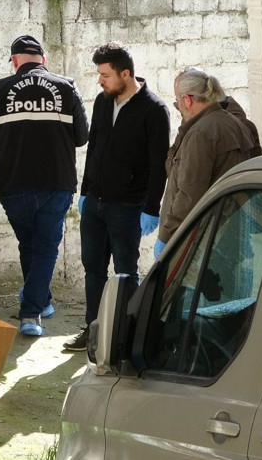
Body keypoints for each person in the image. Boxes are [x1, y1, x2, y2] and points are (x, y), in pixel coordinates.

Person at [0, 35, 89, 337]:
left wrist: (12, 157)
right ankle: (32, 313)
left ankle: (39, 303)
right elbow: (82, 136)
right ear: (43, 60)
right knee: (44, 248)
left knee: (30, 245)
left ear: (14, 61)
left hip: (13, 183)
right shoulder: (66, 86)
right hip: (56, 181)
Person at [64, 42, 171, 351]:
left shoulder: (154, 109)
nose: (100, 80)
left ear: (126, 74)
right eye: (99, 74)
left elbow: (158, 162)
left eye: (106, 75)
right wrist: (85, 192)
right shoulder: (101, 102)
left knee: (125, 272)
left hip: (128, 206)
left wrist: (151, 207)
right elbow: (93, 147)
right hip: (95, 203)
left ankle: (124, 334)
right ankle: (93, 330)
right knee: (93, 269)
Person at [155, 68, 257, 257]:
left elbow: (189, 194)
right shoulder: (234, 123)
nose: (179, 108)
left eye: (178, 103)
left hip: (205, 240)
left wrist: (166, 236)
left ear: (188, 100)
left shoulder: (201, 133)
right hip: (229, 231)